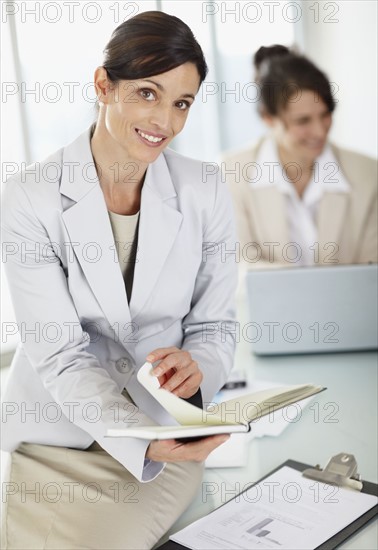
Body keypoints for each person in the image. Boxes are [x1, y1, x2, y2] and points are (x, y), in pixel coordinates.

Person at [1, 12, 237, 549]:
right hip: (54, 438)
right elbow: (60, 354)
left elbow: (215, 325)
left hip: (162, 429)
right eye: (148, 94)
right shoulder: (30, 197)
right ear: (103, 85)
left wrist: (201, 367)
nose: (166, 122)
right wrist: (138, 441)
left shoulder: (205, 189)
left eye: (181, 103)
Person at [223, 45, 377, 269]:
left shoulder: (368, 174)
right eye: (303, 121)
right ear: (268, 117)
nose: (320, 131)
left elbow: (372, 275)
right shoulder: (232, 173)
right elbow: (237, 267)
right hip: (269, 305)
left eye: (325, 115)